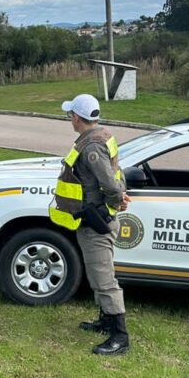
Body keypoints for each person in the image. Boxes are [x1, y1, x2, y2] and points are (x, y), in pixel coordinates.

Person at [49, 93, 131, 355]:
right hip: (93, 218)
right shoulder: (103, 135)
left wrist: (117, 200)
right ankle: (106, 320)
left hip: (97, 222)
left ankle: (120, 337)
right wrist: (119, 197)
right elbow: (117, 173)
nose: (69, 119)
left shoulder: (92, 146)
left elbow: (110, 183)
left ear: (76, 117)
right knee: (97, 274)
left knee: (104, 279)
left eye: (69, 115)